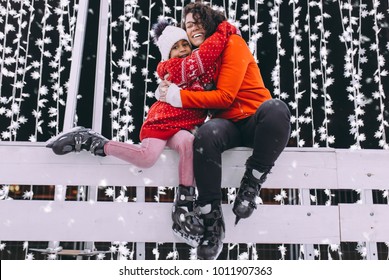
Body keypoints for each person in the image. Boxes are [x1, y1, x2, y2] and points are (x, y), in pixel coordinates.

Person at [46, 18, 238, 247]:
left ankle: (185, 202)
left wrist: (228, 35)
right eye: (174, 47)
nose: (181, 50)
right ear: (167, 55)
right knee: (147, 158)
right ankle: (91, 141)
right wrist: (223, 30)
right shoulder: (172, 69)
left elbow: (213, 60)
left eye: (184, 44)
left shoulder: (200, 69)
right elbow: (202, 58)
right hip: (162, 121)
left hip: (183, 128)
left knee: (188, 142)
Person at [158, 2, 291, 260]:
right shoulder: (199, 61)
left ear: (209, 21)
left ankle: (252, 182)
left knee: (276, 109)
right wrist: (163, 90)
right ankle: (211, 218)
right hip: (226, 124)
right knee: (206, 134)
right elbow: (174, 72)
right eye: (188, 25)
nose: (193, 28)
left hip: (254, 118)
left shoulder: (232, 43)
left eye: (197, 22)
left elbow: (226, 96)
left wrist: (179, 98)